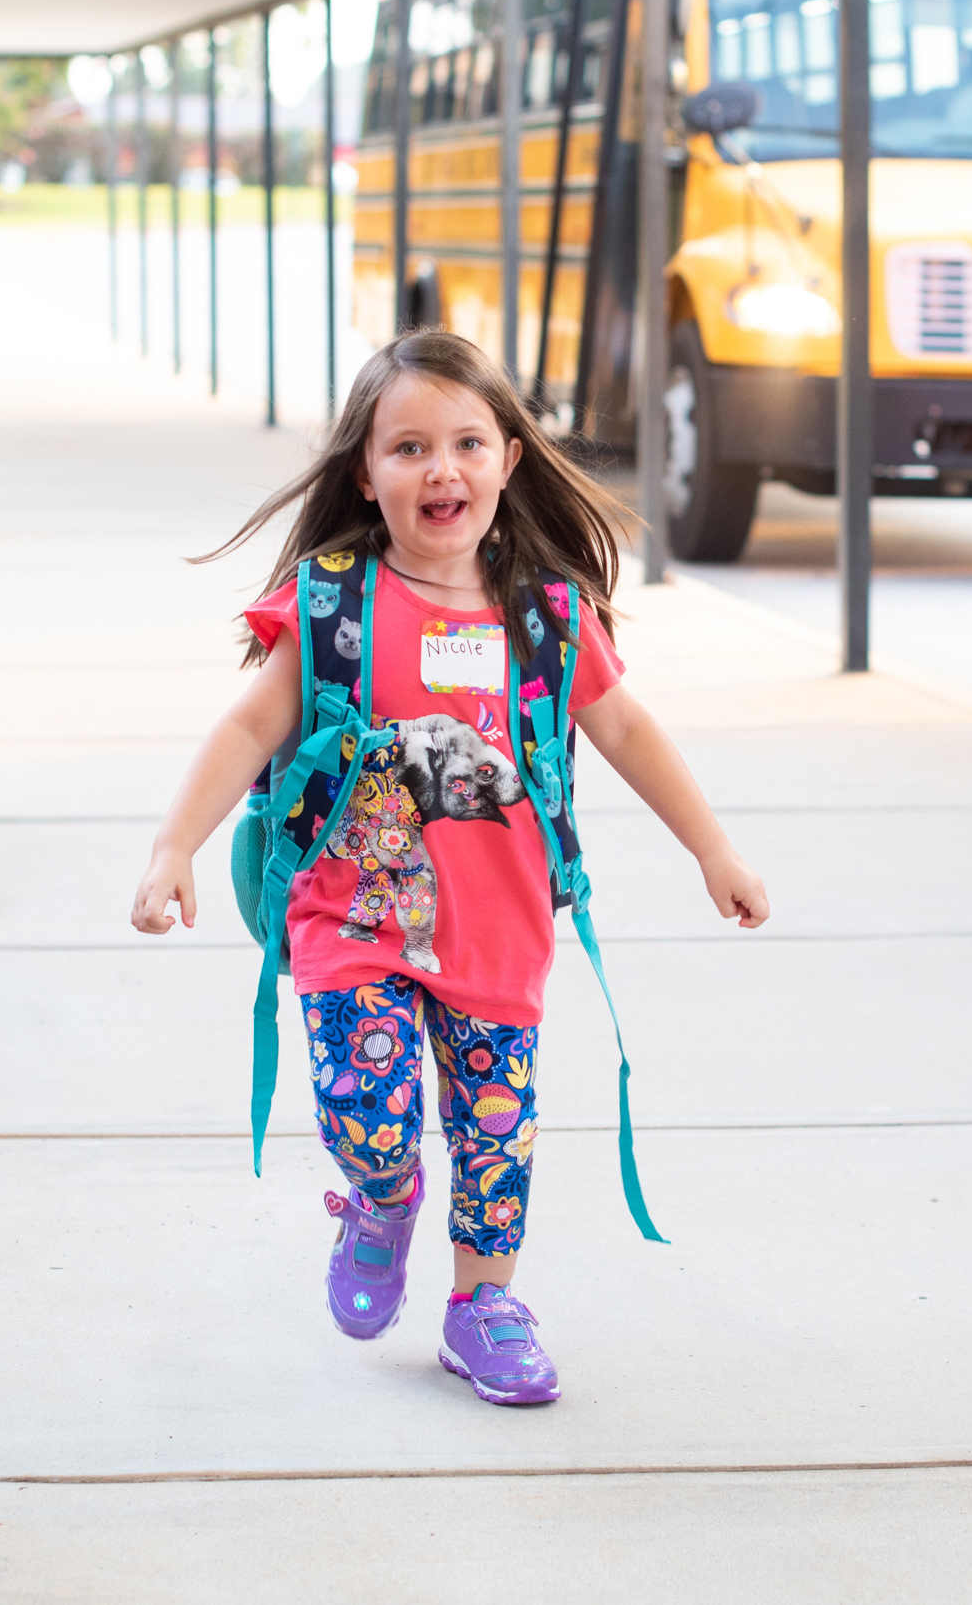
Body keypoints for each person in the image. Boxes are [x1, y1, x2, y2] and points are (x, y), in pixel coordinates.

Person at [129, 329, 771, 1407]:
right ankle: (382, 1199)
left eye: (469, 441)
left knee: (496, 1135)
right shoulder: (332, 607)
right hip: (353, 924)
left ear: (510, 460)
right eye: (410, 447)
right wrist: (172, 844)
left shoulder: (548, 618)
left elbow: (628, 731)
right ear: (365, 474)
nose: (443, 469)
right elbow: (247, 728)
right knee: (366, 1105)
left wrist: (713, 848)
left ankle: (484, 1306)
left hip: (501, 934)